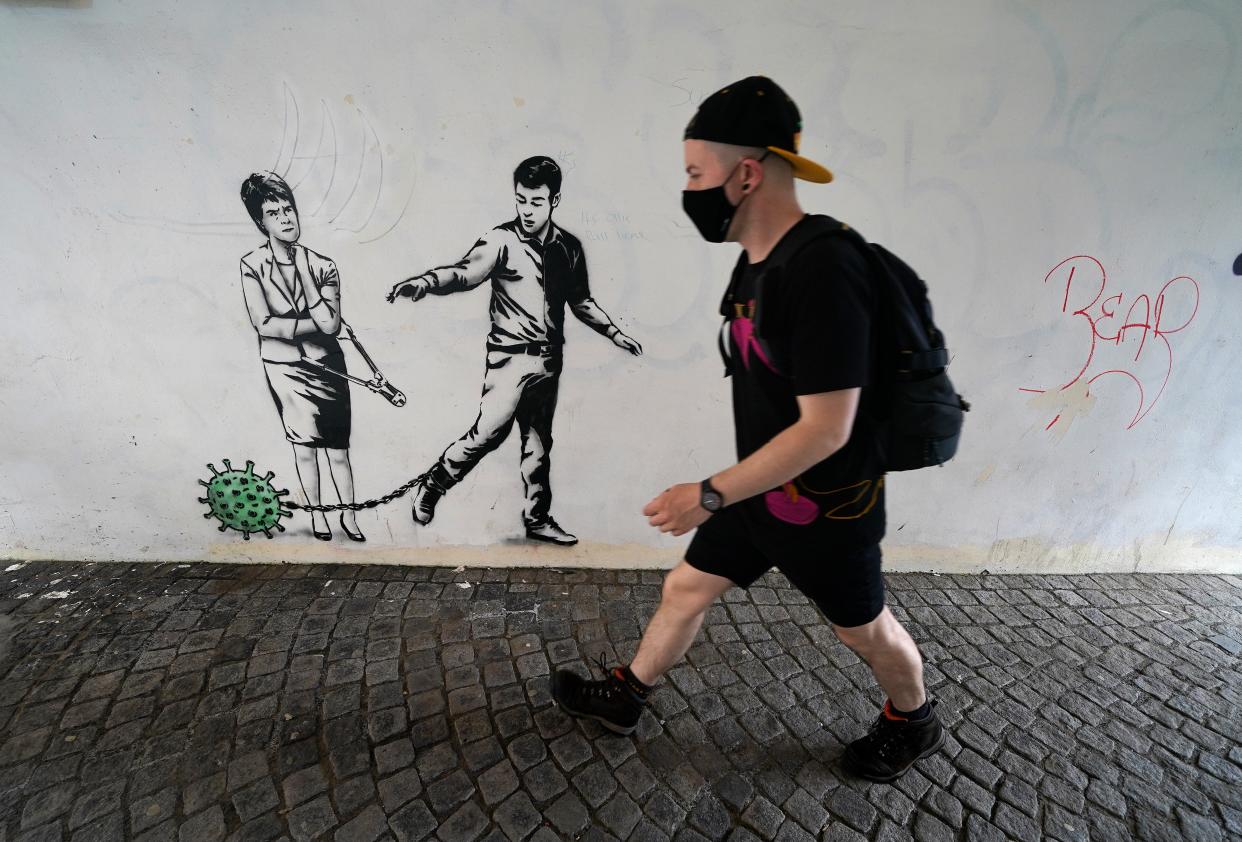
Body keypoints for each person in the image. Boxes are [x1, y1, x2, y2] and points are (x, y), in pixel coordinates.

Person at [551, 77, 944, 782]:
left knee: (864, 630)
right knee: (686, 588)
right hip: (759, 490)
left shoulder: (825, 269)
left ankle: (913, 719)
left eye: (696, 173)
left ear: (747, 173)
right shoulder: (758, 265)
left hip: (829, 506)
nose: (690, 188)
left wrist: (706, 492)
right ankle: (626, 697)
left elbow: (827, 429)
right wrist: (728, 494)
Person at [387, 156, 642, 546]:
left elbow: (581, 301)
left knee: (538, 447)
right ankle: (433, 484)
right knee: (486, 435)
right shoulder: (500, 240)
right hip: (509, 360)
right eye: (521, 200)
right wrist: (425, 282)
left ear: (554, 200)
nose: (526, 210)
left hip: (548, 360)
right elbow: (464, 273)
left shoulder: (569, 247)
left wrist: (614, 333)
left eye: (536, 202)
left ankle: (537, 518)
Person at [238, 172, 365, 542]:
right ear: (260, 222)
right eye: (274, 212)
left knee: (338, 450)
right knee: (305, 448)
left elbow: (331, 326)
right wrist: (310, 323)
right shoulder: (252, 266)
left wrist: (305, 278)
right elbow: (263, 324)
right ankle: (318, 516)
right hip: (284, 369)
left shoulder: (323, 265)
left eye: (288, 209)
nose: (286, 218)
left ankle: (350, 516)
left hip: (328, 365)